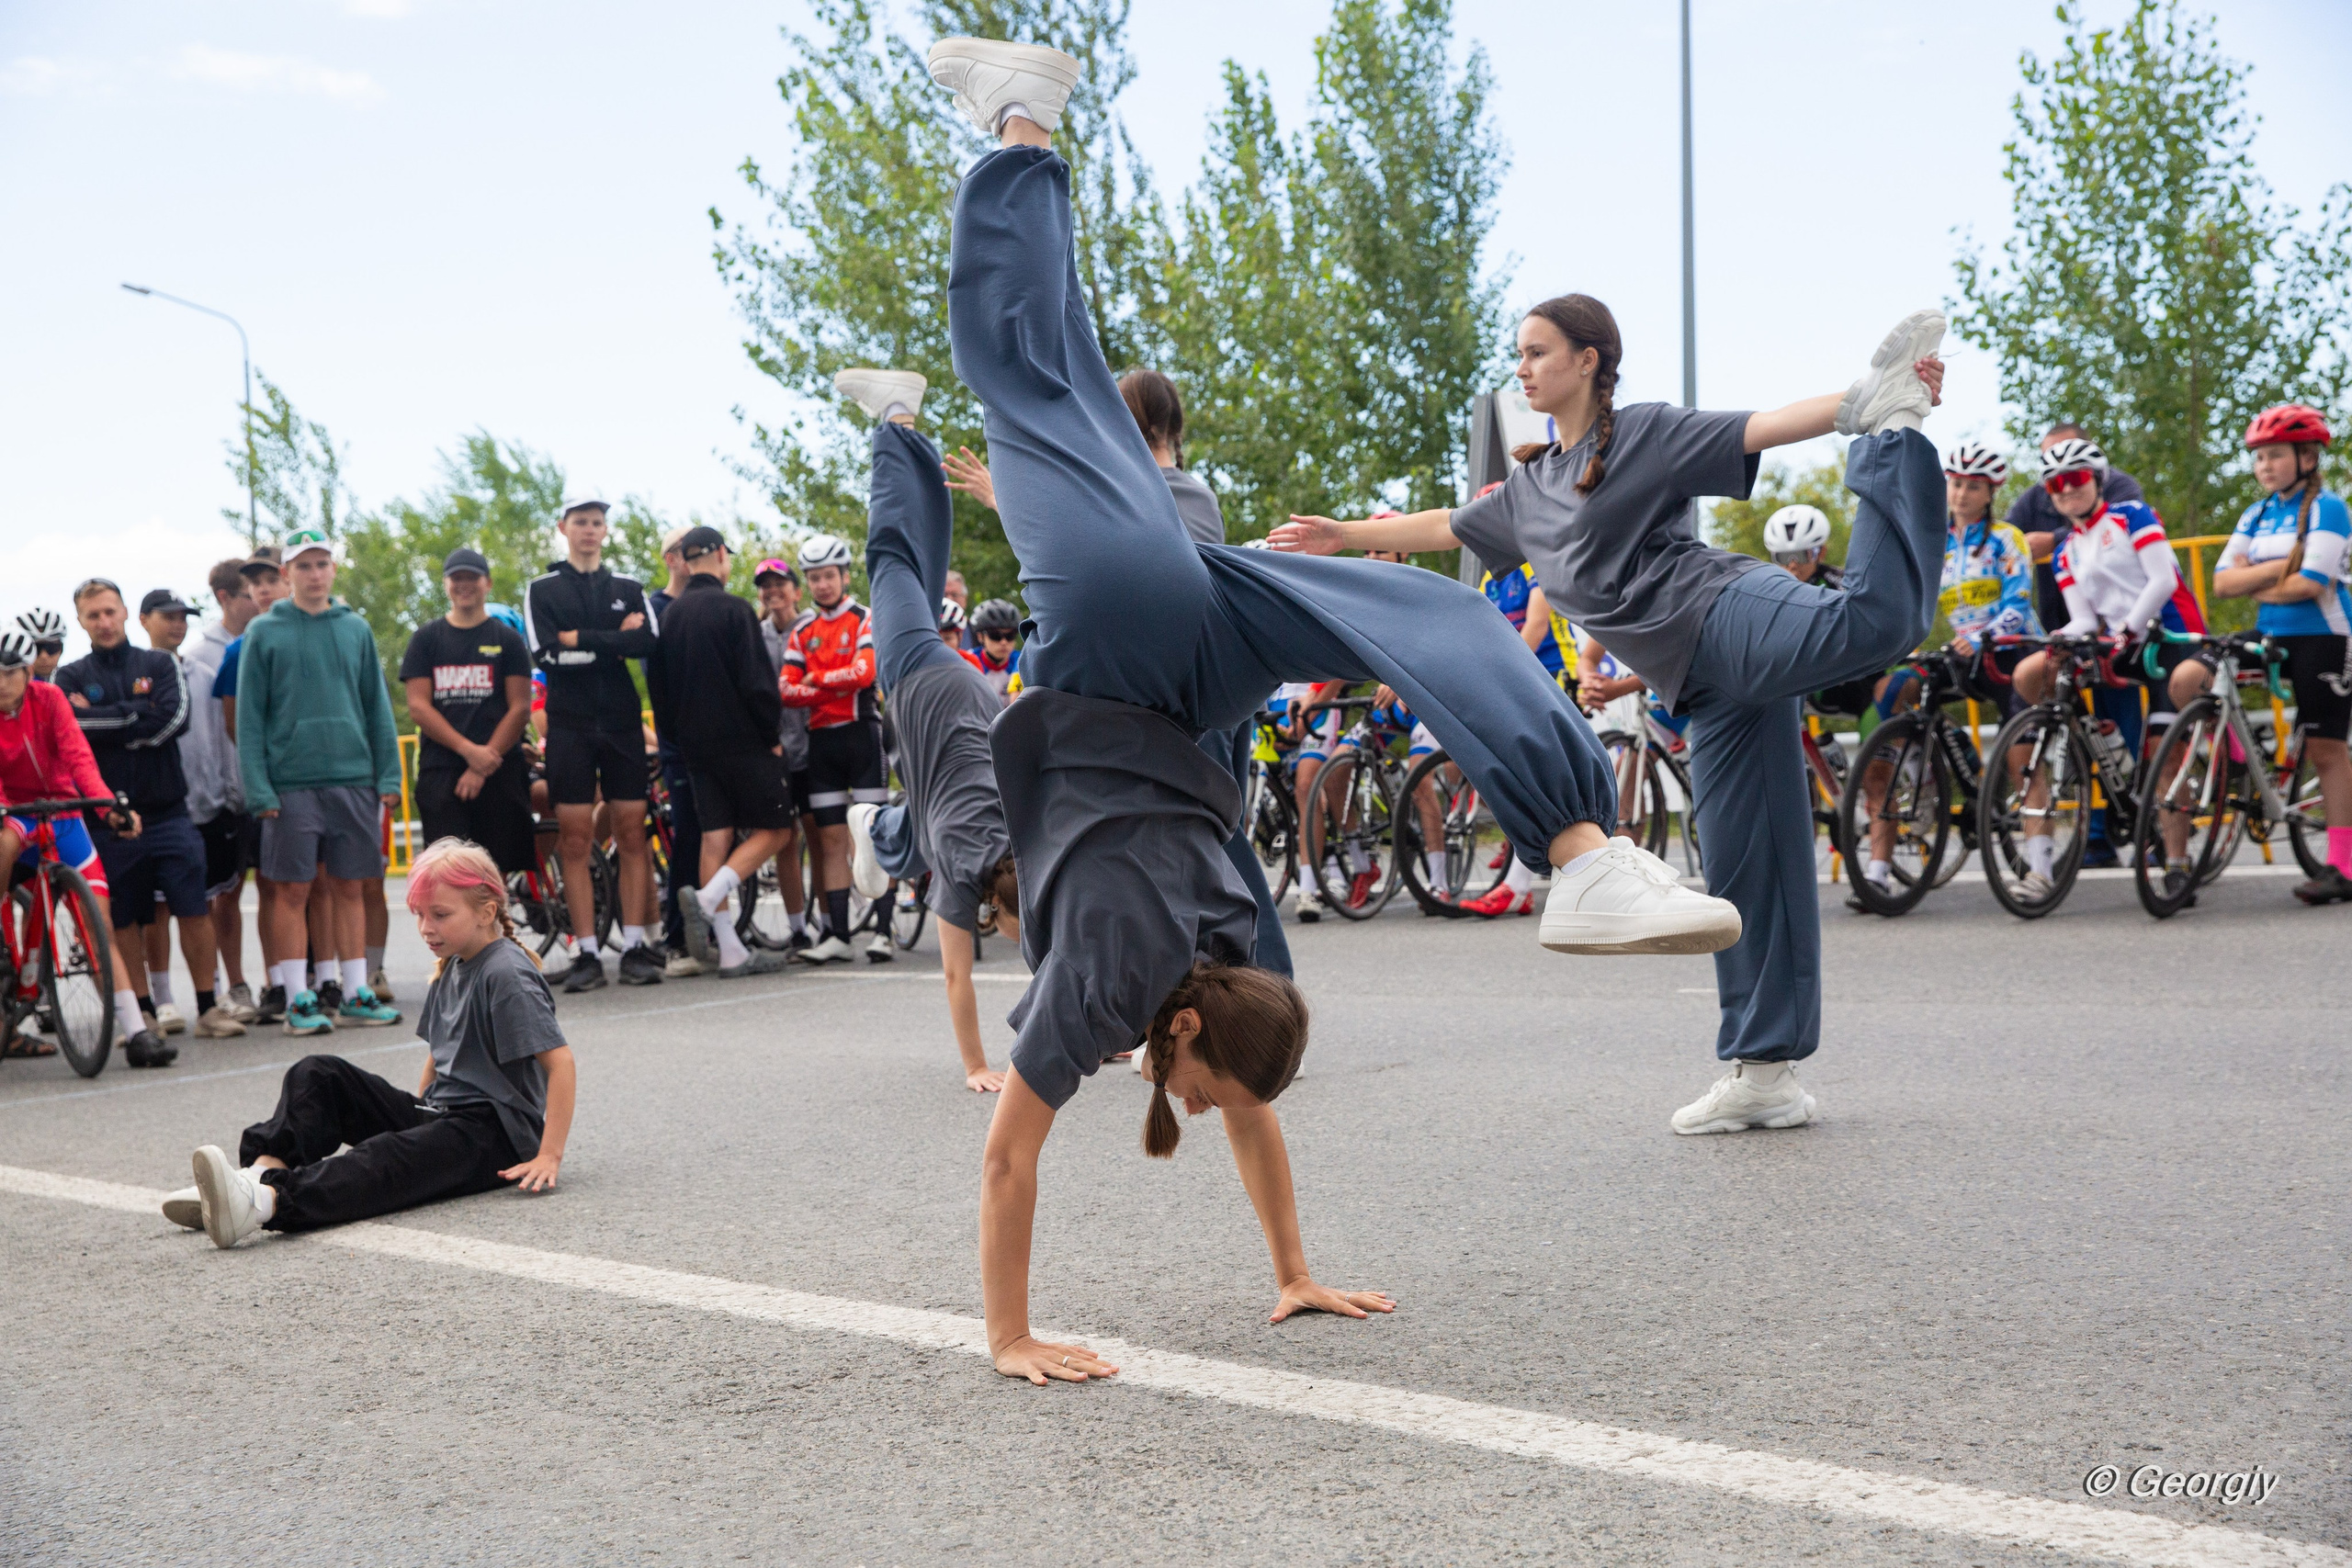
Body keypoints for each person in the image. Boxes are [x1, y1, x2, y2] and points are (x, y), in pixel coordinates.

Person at [918, 40, 1751, 1380]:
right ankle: (1020, 121)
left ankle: (1584, 848)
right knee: (1025, 374)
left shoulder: (1195, 962)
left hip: (1185, 659)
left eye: (1194, 1094)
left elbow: (1160, 1113)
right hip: (1141, 655)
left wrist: (1283, 1275)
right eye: (1199, 1086)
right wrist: (1014, 1335)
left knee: (1403, 611)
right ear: (1195, 1025)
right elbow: (1026, 1150)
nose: (1195, 1107)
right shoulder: (1162, 976)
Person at [1275, 302, 1951, 1133]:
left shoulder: (1643, 435)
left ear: (1588, 360)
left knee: (1874, 622)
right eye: (1519, 354)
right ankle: (1765, 1072)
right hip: (1703, 687)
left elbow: (1764, 426)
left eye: (1538, 352)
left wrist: (1863, 406)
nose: (1522, 367)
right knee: (1747, 867)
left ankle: (1895, 436)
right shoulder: (1528, 490)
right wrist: (1341, 533)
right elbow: (1447, 526)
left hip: (1724, 611)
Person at [166, 837, 575, 1248]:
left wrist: (548, 1155)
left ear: (486, 912)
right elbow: (440, 1054)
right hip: (447, 1116)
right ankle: (256, 1176)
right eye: (420, 914)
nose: (426, 927)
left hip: (495, 1136)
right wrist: (419, 1122)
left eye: (440, 915)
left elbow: (560, 1064)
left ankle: (264, 1202)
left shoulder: (506, 974)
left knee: (386, 1156)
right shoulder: (454, 964)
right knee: (319, 1074)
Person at [832, 368, 1020, 1090]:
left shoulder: (1036, 853)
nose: (1028, 949)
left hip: (969, 712)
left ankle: (882, 827)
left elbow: (1067, 960)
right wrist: (976, 1065)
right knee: (889, 557)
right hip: (923, 682)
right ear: (997, 905)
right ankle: (894, 418)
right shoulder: (969, 868)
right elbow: (954, 975)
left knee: (923, 566)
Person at [2007, 438, 2206, 897]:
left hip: (2169, 637)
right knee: (2037, 672)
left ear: (2097, 480)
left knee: (2164, 752)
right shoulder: (2065, 550)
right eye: (2055, 484)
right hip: (2120, 644)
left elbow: (2162, 580)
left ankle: (2177, 862)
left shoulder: (2132, 515)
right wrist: (2061, 638)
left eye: (2076, 478)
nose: (2066, 489)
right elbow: (2082, 617)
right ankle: (2098, 752)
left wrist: (2127, 630)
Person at [1847, 442, 2041, 896]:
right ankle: (1917, 778)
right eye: (1956, 484)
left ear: (1990, 493)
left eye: (1973, 486)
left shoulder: (2006, 538)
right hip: (1962, 653)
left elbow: (2018, 604)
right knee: (1895, 687)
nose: (1961, 494)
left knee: (2020, 755)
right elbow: (1914, 605)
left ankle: (2040, 868)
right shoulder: (1937, 544)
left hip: (2012, 650)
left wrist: (1983, 636)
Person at [233, 529, 403, 1035]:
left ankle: (355, 992)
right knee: (292, 890)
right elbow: (249, 718)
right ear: (287, 574)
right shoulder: (264, 632)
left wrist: (389, 775)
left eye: (322, 563)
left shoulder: (356, 629)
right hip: (291, 784)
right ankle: (298, 999)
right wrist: (259, 788)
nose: (314, 574)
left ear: (333, 569)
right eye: (303, 566)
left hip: (354, 778)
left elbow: (377, 707)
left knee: (351, 886)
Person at [58, 582, 239, 1045]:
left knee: (193, 908)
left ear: (125, 613)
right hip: (109, 819)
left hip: (169, 811)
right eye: (93, 615)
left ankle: (208, 1007)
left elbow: (174, 720)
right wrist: (139, 713)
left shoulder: (159, 664)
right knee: (124, 919)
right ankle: (143, 1013)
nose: (103, 622)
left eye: (109, 611)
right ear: (80, 621)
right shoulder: (70, 676)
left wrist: (106, 720)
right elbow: (74, 729)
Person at [2187, 405, 2352, 905]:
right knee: (2192, 676)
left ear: (2307, 458)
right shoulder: (2256, 514)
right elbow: (2222, 583)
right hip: (2270, 634)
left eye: (2276, 455)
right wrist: (2282, 568)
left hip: (2325, 636)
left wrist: (2254, 578)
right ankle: (2239, 761)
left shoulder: (2328, 509)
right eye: (2259, 457)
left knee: (2326, 749)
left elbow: (2311, 584)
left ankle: (2343, 866)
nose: (2265, 466)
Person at [0, 629, 175, 1066]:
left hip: (62, 813)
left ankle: (137, 1032)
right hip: (15, 813)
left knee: (99, 925)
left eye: (9, 672)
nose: (1, 683)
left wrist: (107, 808)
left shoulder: (50, 699)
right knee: (5, 841)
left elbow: (79, 757)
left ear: (28, 672)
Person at [524, 496, 663, 991]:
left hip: (622, 723)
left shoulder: (628, 587)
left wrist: (579, 638)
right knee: (575, 838)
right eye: (580, 521)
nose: (589, 529)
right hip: (569, 726)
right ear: (563, 528)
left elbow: (647, 643)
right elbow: (545, 654)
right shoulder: (542, 589)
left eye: (597, 522)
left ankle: (636, 946)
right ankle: (586, 951)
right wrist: (611, 641)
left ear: (605, 530)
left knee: (632, 833)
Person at [648, 526, 794, 978]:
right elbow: (756, 681)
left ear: (687, 561)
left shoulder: (670, 616)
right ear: (721, 555)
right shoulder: (734, 609)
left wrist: (676, 737)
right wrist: (771, 733)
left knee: (716, 836)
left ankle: (730, 951)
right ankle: (708, 898)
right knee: (777, 829)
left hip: (692, 746)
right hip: (743, 740)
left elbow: (658, 689)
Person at [779, 533, 888, 963]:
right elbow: (786, 690)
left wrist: (817, 680)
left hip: (862, 736)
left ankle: (884, 933)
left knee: (874, 833)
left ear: (844, 576)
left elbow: (865, 673)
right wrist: (832, 686)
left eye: (829, 576)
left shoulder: (865, 618)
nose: (822, 585)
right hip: (821, 744)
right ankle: (839, 935)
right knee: (830, 840)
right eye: (814, 578)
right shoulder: (802, 630)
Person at [399, 548, 537, 881]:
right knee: (448, 874)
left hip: (499, 768)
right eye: (456, 578)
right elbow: (419, 706)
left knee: (496, 873)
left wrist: (483, 763)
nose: (464, 585)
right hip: (442, 770)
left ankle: (500, 917)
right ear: (445, 584)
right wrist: (469, 752)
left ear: (487, 583)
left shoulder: (507, 640)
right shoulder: (426, 640)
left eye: (471, 577)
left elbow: (520, 707)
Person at [214, 547, 293, 1021]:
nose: (264, 590)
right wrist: (261, 774)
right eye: (255, 584)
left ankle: (303, 978)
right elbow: (235, 724)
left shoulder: (318, 631)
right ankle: (262, 983)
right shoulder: (236, 649)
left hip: (306, 784)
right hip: (251, 791)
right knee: (244, 889)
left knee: (294, 887)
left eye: (271, 580)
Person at [186, 560, 261, 1022]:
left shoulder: (267, 639)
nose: (260, 599)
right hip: (225, 796)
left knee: (272, 888)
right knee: (222, 894)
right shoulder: (201, 657)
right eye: (250, 592)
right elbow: (207, 736)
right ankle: (226, 983)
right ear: (225, 598)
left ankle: (287, 981)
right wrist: (220, 790)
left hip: (263, 788)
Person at [753, 558, 819, 954]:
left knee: (819, 835)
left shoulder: (813, 627)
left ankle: (833, 924)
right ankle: (798, 929)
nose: (773, 591)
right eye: (765, 585)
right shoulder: (755, 634)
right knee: (784, 840)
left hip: (813, 746)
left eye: (780, 583)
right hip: (773, 751)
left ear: (796, 590)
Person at [967, 598, 1023, 702]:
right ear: (980, 637)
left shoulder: (1022, 661)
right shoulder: (968, 661)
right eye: (995, 636)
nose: (1004, 642)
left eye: (1010, 636)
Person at [16, 608, 66, 682]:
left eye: (51, 647)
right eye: (36, 648)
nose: (44, 656)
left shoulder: (75, 680)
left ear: (61, 649)